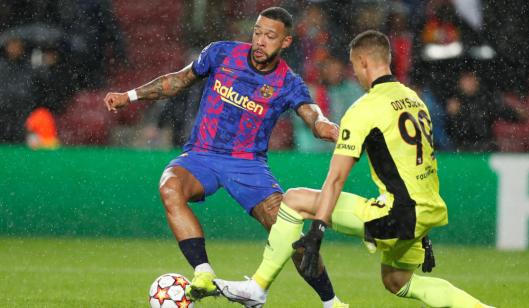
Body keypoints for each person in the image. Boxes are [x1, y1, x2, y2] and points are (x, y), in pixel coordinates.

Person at [215, 30, 493, 308]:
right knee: (397, 280)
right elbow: (421, 167)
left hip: (398, 214)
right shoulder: (413, 100)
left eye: (354, 67)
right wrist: (422, 231)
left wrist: (317, 231)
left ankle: (257, 287)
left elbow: (336, 179)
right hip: (426, 209)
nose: (355, 76)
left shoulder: (364, 109)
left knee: (294, 200)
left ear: (362, 62)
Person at [104, 7, 347, 308]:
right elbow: (178, 80)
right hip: (201, 155)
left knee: (290, 234)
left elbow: (310, 111)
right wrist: (129, 96)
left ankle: (332, 302)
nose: (260, 40)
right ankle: (203, 274)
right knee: (170, 186)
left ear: (285, 42)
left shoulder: (288, 82)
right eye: (257, 32)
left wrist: (322, 123)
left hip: (248, 165)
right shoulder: (222, 53)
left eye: (270, 36)